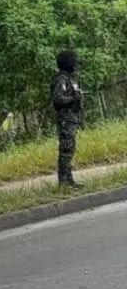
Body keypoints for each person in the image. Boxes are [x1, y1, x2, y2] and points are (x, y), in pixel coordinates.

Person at [52, 50, 84, 188]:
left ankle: (69, 180)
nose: (75, 64)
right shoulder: (61, 79)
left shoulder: (70, 78)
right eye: (73, 61)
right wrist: (73, 98)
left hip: (72, 119)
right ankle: (63, 183)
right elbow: (57, 99)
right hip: (65, 120)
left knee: (69, 149)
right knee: (66, 150)